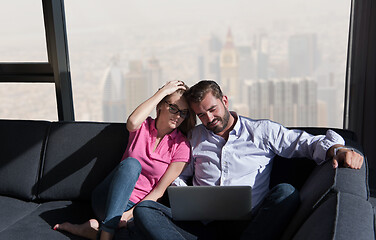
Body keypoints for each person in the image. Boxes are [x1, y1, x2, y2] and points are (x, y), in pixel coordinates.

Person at [132, 80, 364, 240]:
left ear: (225, 100)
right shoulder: (193, 137)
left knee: (286, 192)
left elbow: (305, 143)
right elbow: (179, 174)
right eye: (201, 115)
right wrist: (186, 195)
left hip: (252, 226)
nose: (209, 118)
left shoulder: (261, 131)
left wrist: (337, 149)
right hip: (202, 226)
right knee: (145, 210)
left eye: (212, 109)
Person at [53, 80, 196, 240]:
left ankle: (92, 230)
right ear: (161, 106)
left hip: (136, 208)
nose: (177, 116)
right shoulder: (143, 126)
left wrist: (128, 215)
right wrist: (162, 92)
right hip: (106, 199)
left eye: (183, 112)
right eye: (173, 108)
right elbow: (132, 122)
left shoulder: (182, 146)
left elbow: (158, 191)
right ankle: (106, 233)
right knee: (131, 165)